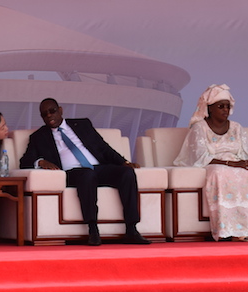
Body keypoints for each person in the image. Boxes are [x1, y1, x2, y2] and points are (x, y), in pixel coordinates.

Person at [19, 98, 150, 246]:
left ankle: (132, 229)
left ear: (60, 110)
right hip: (73, 173)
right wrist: (41, 162)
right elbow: (24, 161)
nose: (49, 116)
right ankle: (93, 229)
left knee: (126, 173)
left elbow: (103, 148)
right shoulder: (38, 137)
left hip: (97, 168)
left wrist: (124, 162)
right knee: (87, 175)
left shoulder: (82, 124)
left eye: (52, 111)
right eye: (44, 114)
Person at [172, 84, 248, 241]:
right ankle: (228, 230)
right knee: (220, 173)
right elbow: (200, 156)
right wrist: (231, 164)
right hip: (213, 165)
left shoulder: (237, 127)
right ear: (210, 108)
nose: (225, 110)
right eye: (220, 106)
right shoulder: (200, 128)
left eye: (228, 107)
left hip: (237, 163)